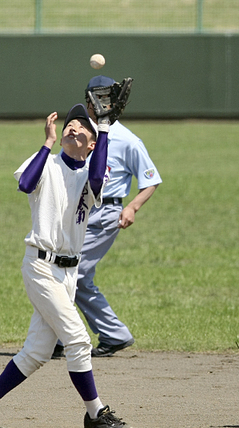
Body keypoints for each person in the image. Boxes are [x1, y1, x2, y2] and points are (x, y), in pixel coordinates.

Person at [0, 105, 134, 428]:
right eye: (69, 125)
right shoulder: (46, 162)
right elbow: (26, 184)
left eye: (81, 128)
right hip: (40, 266)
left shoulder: (92, 172)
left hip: (68, 274)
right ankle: (95, 413)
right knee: (79, 340)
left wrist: (103, 126)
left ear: (92, 144)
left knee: (38, 352)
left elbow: (97, 179)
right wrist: (47, 142)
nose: (72, 129)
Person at [53, 75, 162, 359]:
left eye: (105, 99)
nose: (98, 104)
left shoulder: (128, 140)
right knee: (74, 277)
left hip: (106, 214)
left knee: (70, 273)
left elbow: (151, 180)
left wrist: (133, 207)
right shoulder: (81, 132)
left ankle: (58, 339)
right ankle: (114, 335)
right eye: (95, 98)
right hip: (78, 212)